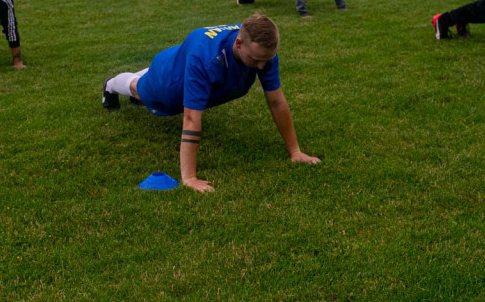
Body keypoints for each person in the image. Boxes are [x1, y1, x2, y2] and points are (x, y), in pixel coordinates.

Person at [101, 13, 320, 192]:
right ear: (239, 43)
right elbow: (191, 117)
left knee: (166, 71)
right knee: (140, 89)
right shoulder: (207, 60)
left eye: (266, 60)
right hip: (168, 83)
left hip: (182, 59)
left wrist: (295, 152)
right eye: (255, 60)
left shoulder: (261, 50)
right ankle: (110, 84)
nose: (261, 67)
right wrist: (189, 177)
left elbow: (276, 101)